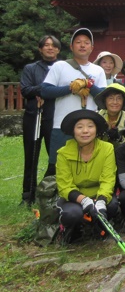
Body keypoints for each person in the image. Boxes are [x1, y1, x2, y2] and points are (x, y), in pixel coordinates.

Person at [41, 28, 107, 172]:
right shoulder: (59, 66)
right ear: (71, 47)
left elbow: (103, 99)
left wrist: (89, 85)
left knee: (87, 166)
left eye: (86, 43)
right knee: (57, 166)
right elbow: (45, 90)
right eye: (78, 42)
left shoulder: (98, 70)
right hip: (62, 125)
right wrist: (71, 88)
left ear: (92, 48)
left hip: (88, 127)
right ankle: (52, 194)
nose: (82, 45)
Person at [56, 110, 118, 244]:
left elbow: (108, 179)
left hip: (98, 193)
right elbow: (65, 186)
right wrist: (84, 200)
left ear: (96, 130)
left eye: (90, 126)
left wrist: (101, 200)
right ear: (73, 131)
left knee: (112, 206)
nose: (85, 131)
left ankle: (98, 226)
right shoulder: (63, 153)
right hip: (75, 198)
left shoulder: (107, 149)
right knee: (72, 214)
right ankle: (74, 228)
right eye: (80, 127)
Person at [20, 35, 61, 203]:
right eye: (46, 45)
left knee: (56, 157)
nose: (49, 48)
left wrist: (42, 91)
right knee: (31, 156)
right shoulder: (31, 68)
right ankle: (27, 195)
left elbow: (64, 88)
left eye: (53, 45)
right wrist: (43, 90)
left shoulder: (62, 68)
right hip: (34, 116)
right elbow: (26, 90)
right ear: (40, 49)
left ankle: (47, 190)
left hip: (54, 117)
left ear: (58, 49)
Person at [95, 83, 125, 149]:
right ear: (105, 101)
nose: (115, 102)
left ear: (123, 102)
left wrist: (118, 138)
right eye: (110, 98)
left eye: (119, 98)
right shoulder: (98, 117)